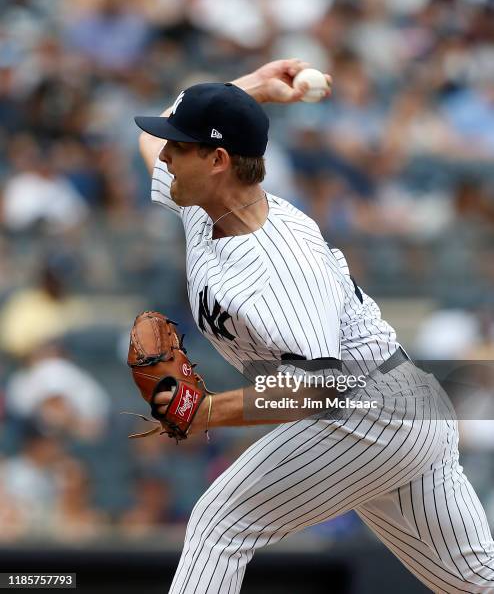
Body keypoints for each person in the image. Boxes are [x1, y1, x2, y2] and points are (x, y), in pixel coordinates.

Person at [135, 58, 494, 593]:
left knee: (220, 523)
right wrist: (250, 89)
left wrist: (207, 410)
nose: (163, 153)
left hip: (368, 411)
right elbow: (150, 142)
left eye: (178, 147)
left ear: (217, 159)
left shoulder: (279, 265)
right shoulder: (208, 202)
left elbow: (321, 386)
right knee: (474, 582)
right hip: (402, 408)